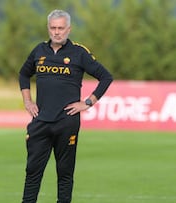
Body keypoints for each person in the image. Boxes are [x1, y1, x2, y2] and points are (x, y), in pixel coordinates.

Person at [18, 9, 113, 203]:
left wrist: (87, 103)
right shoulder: (39, 51)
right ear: (48, 28)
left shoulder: (79, 53)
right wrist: (28, 101)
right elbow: (23, 74)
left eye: (61, 28)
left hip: (66, 122)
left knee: (65, 174)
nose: (56, 32)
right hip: (40, 122)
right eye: (53, 28)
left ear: (68, 29)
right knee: (33, 172)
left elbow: (106, 77)